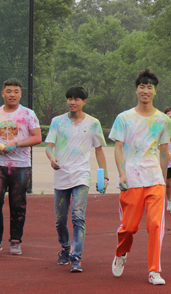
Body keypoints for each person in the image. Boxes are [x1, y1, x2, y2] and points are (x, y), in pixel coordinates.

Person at [110, 69, 171, 285]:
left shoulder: (163, 120)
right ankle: (121, 253)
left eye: (149, 87)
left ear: (155, 91)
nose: (145, 90)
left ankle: (154, 270)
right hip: (131, 180)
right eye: (142, 87)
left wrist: (163, 179)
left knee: (155, 225)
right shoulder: (124, 118)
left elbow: (164, 152)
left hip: (154, 179)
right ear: (136, 90)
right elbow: (118, 148)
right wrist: (121, 174)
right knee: (129, 227)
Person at [45, 86, 108, 272]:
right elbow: (49, 146)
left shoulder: (93, 123)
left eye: (76, 99)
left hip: (81, 175)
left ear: (84, 101)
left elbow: (99, 150)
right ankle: (66, 248)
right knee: (60, 220)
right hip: (61, 176)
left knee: (78, 216)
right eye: (69, 98)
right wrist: (52, 158)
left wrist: (104, 176)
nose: (72, 102)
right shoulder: (57, 122)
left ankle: (76, 257)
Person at [0, 79, 42, 256]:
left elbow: (37, 137)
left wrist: (17, 143)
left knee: (17, 204)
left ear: (20, 94)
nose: (12, 94)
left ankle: (15, 241)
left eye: (16, 91)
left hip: (21, 166)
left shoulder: (28, 114)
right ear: (3, 94)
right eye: (8, 91)